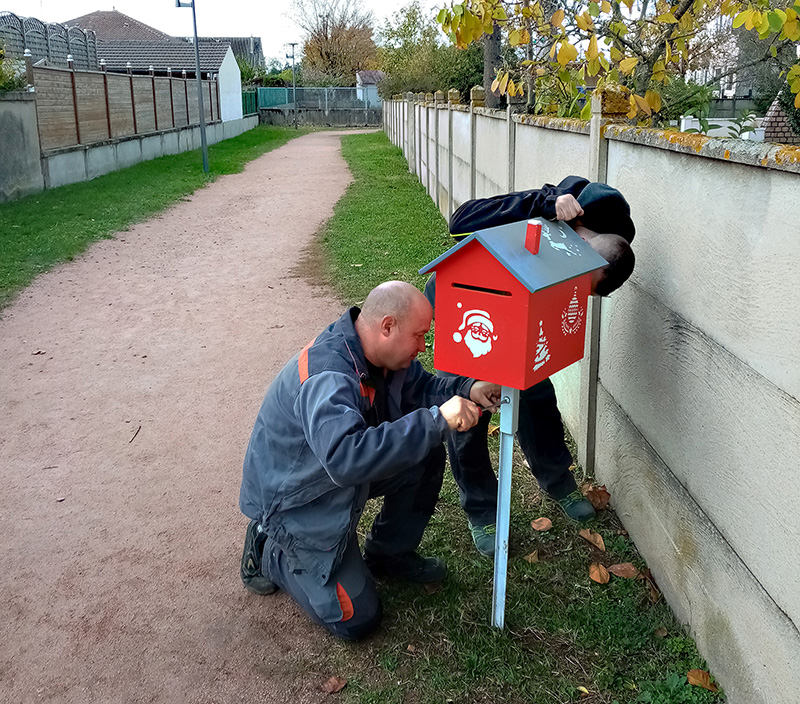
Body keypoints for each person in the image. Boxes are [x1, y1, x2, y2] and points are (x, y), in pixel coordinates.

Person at [238, 281, 501, 640]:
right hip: (296, 500)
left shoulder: (379, 354)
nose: (423, 346)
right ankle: (269, 547)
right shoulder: (329, 375)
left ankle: (388, 554)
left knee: (424, 452)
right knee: (356, 618)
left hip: (332, 480)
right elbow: (345, 458)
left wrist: (467, 388)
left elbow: (422, 388)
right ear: (387, 326)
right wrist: (437, 419)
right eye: (419, 335)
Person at [424, 176, 636, 557]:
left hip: (525, 310)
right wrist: (540, 203)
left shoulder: (612, 240)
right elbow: (460, 220)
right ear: (581, 241)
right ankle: (481, 508)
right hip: (473, 304)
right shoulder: (552, 208)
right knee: (470, 406)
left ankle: (557, 480)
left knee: (536, 392)